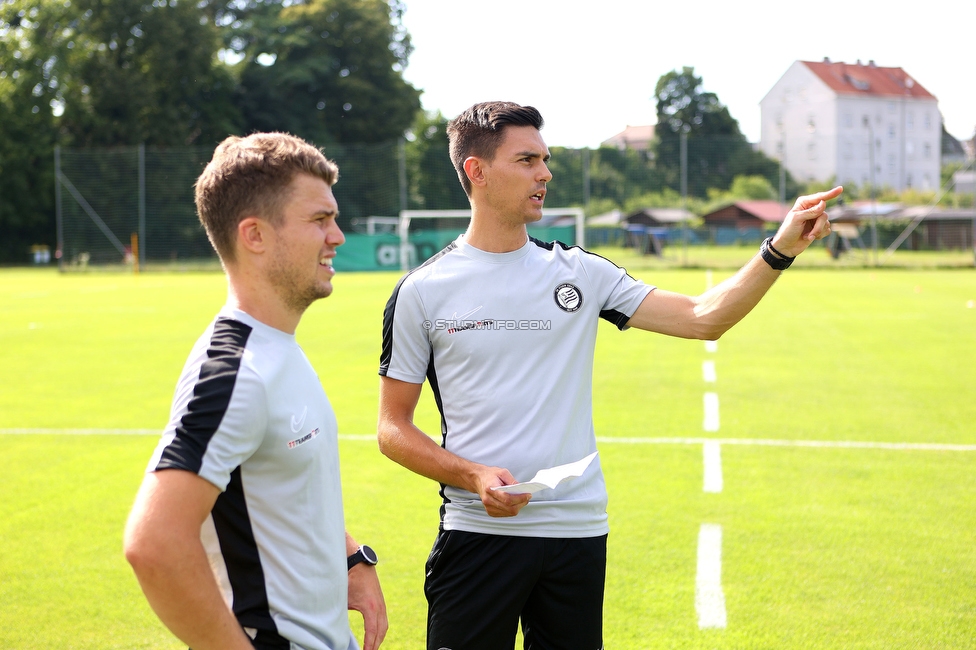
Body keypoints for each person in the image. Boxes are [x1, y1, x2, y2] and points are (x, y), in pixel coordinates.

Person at [376, 101, 841, 650]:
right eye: (526, 160)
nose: (545, 173)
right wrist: (473, 475)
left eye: (545, 159)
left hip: (577, 534)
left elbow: (703, 318)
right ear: (476, 171)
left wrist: (781, 246)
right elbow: (392, 429)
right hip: (480, 535)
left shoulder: (582, 273)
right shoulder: (422, 291)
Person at [124, 132, 387, 650]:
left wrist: (349, 556)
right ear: (255, 235)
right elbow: (153, 543)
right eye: (319, 220)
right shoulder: (234, 371)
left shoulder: (277, 346)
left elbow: (282, 489)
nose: (337, 236)